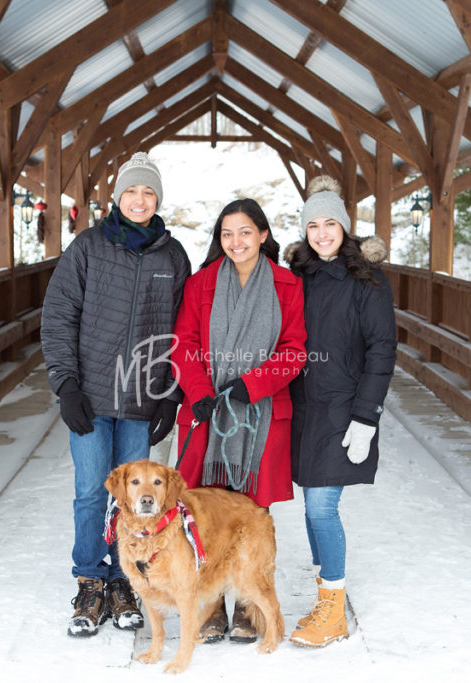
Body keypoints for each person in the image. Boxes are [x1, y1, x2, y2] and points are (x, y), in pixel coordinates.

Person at [41, 152, 190, 638]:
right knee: (90, 493)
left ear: (157, 200)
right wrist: (65, 385)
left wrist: (171, 394)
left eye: (148, 193)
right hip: (90, 396)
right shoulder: (87, 248)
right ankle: (90, 580)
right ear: (118, 197)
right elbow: (58, 317)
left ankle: (124, 580)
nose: (140, 200)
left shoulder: (173, 256)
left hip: (142, 402)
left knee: (138, 502)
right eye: (132, 191)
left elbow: (181, 331)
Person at [170, 198, 306, 644]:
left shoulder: (288, 285)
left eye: (245, 232)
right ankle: (208, 605)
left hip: (259, 413)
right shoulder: (201, 283)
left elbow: (294, 349)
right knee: (202, 510)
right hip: (208, 412)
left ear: (263, 235)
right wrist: (198, 390)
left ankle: (250, 604)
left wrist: (255, 383)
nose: (236, 242)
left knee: (251, 514)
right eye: (227, 234)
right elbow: (184, 343)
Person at [285, 175, 397, 648]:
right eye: (314, 225)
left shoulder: (367, 280)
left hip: (344, 408)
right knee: (311, 507)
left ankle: (333, 609)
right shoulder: (296, 277)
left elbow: (382, 348)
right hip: (302, 408)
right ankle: (324, 592)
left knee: (321, 506)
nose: (323, 233)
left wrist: (367, 415)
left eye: (331, 223)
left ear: (346, 228)